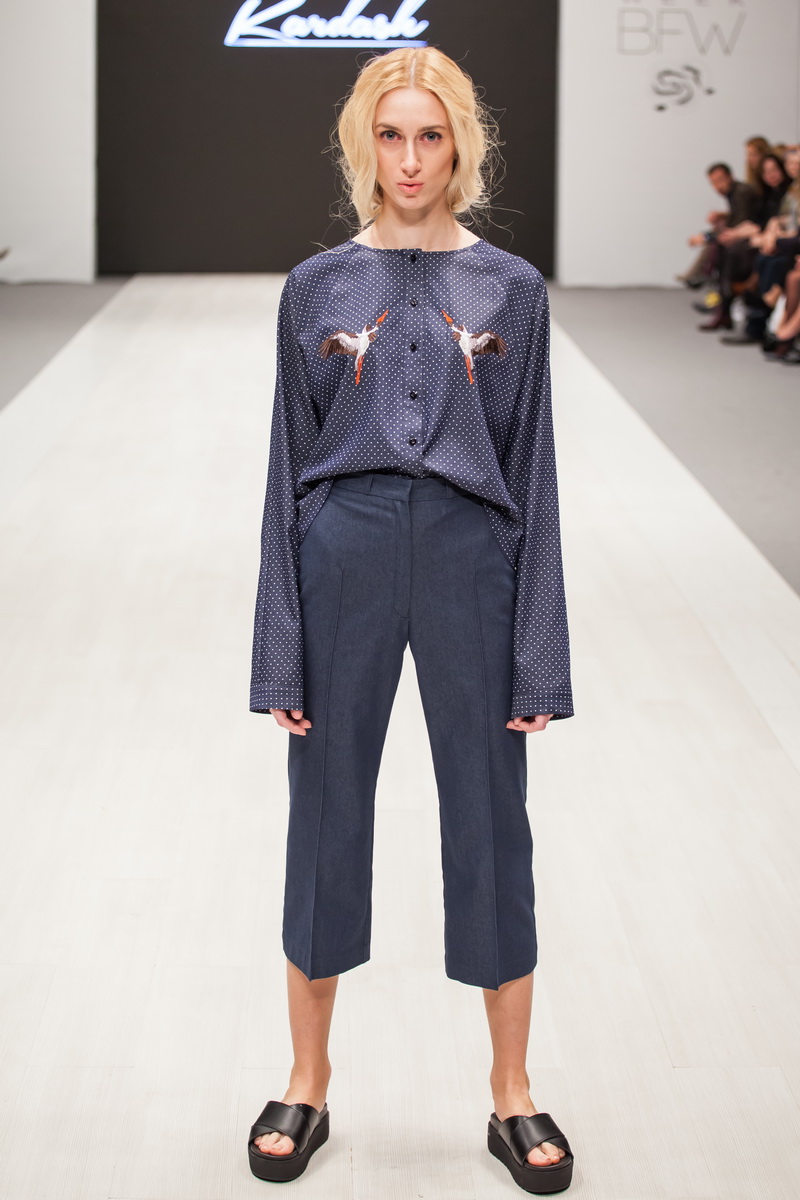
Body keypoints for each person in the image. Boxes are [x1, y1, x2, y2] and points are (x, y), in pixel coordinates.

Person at [246, 45, 576, 1194]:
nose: (409, 158)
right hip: (338, 548)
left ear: (459, 147)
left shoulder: (511, 291)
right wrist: (278, 648)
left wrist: (538, 658)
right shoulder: (315, 289)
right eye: (389, 135)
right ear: (363, 145)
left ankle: (511, 1092)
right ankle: (305, 1079)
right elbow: (285, 469)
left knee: (491, 816)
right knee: (323, 811)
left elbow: (531, 473)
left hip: (467, 553)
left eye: (429, 135)